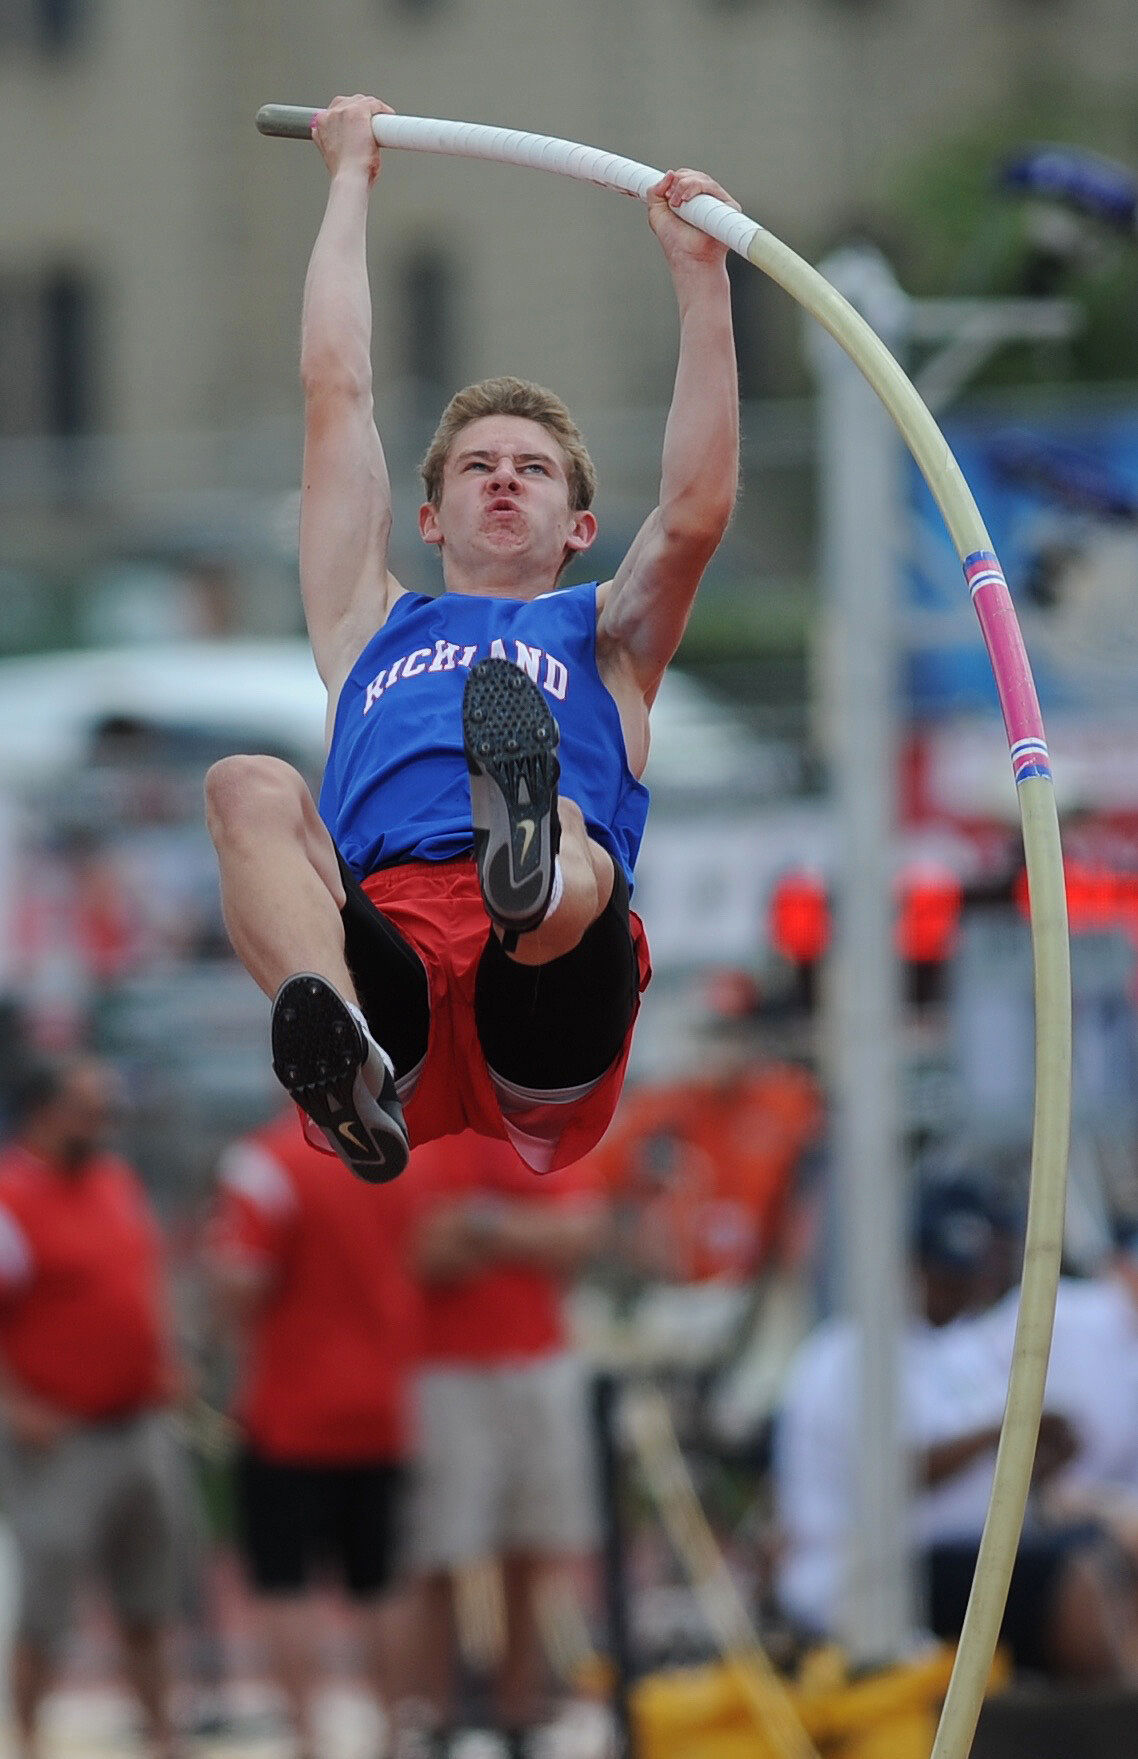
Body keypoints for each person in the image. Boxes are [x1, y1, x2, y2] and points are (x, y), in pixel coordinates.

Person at [204, 92, 739, 1183]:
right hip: (390, 967)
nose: (503, 477)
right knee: (246, 786)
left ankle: (532, 875)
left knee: (576, 838)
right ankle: (338, 1041)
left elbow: (691, 511)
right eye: (476, 467)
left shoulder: (608, 636)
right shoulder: (367, 621)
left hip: (537, 1005)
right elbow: (335, 395)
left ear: (580, 527)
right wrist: (348, 180)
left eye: (532, 468)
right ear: (430, 518)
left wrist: (701, 276)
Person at [773, 1178, 1138, 1680]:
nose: (958, 1289)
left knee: (1105, 1549)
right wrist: (1000, 1432)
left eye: (963, 1275)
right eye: (942, 1274)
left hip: (958, 1556)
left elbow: (1014, 1474)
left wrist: (1047, 1443)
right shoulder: (845, 1356)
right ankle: (1112, 1725)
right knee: (1069, 1581)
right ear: (904, 1266)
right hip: (868, 1575)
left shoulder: (956, 1351)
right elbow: (896, 1475)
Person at [206, 1107, 422, 1759]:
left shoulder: (267, 1161)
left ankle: (308, 1737)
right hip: (385, 1401)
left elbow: (243, 1281)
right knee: (380, 1580)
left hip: (291, 1409)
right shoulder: (407, 1152)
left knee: (284, 1581)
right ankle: (393, 1732)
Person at [397, 1130, 608, 1758]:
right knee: (439, 1548)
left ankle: (519, 1711)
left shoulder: (538, 1127)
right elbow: (417, 1250)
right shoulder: (419, 1132)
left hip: (535, 1360)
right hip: (444, 1367)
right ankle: (438, 1714)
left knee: (533, 1542)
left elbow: (579, 1235)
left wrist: (482, 1224)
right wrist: (526, 1234)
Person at [0, 1056, 188, 1759]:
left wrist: (165, 1356)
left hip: (138, 1423)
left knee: (151, 1600)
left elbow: (142, 1275)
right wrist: (14, 1404)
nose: (104, 1123)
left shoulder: (114, 1180)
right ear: (44, 1114)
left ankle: (163, 1735)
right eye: (87, 1109)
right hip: (63, 1435)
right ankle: (27, 1739)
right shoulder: (13, 1197)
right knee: (46, 1608)